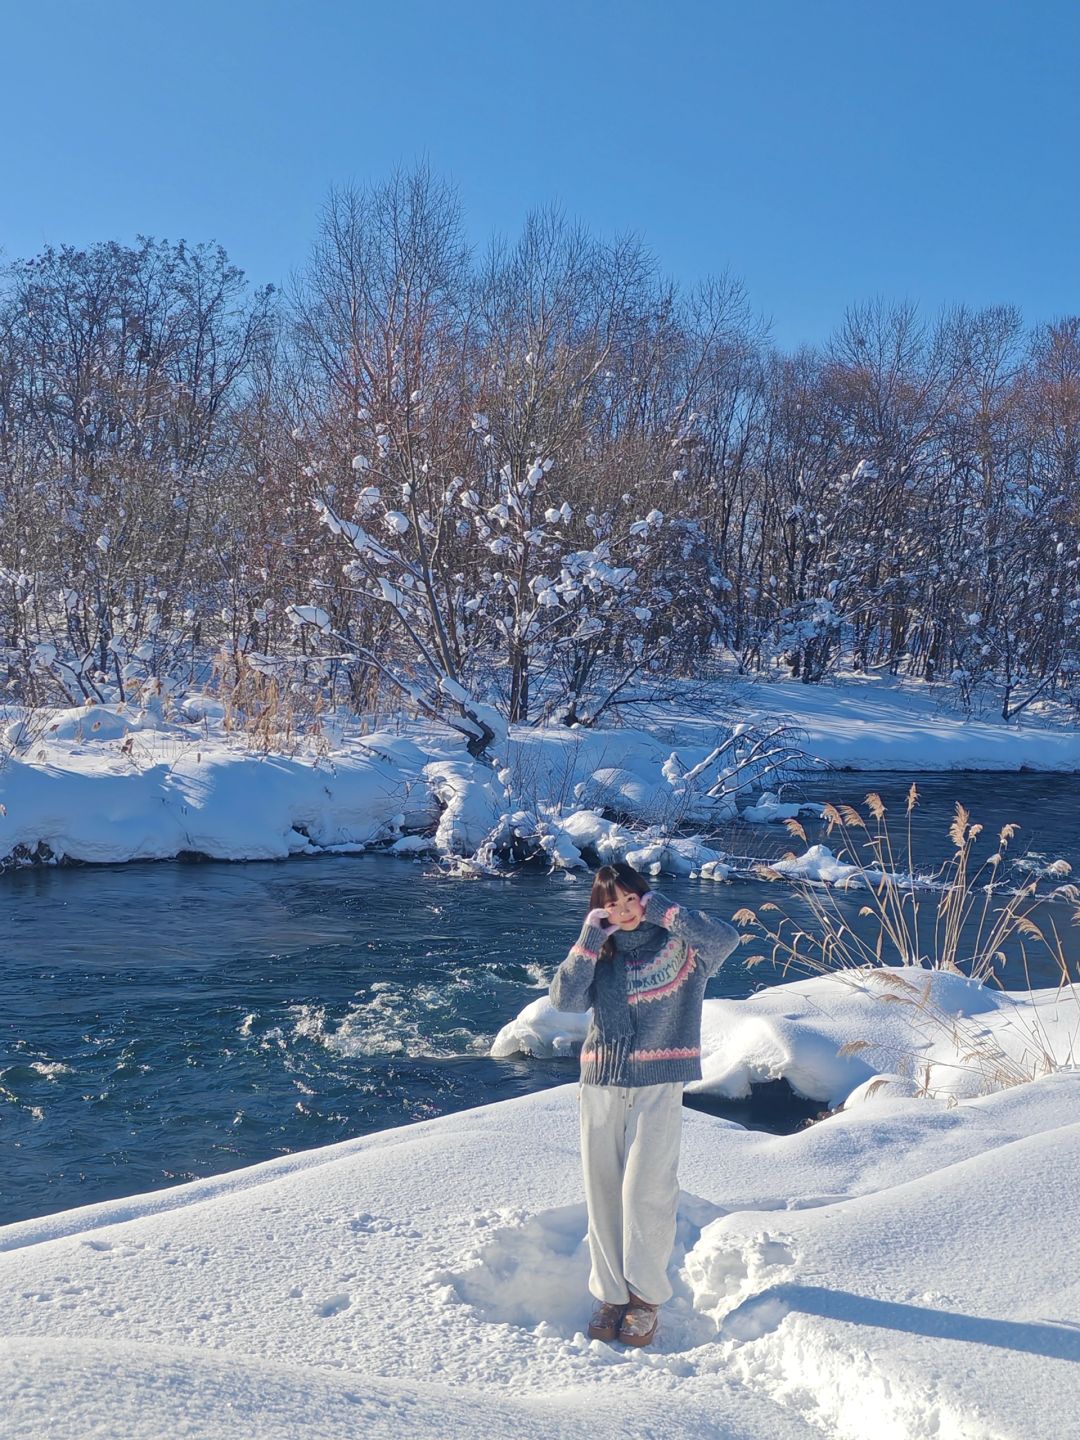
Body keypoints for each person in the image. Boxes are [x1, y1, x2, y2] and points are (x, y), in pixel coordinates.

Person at [549, 860, 740, 1347]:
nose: (625, 911)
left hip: (659, 1084)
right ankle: (611, 1295)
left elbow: (726, 938)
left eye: (632, 899)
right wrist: (590, 938)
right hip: (600, 1083)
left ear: (645, 897)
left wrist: (661, 909)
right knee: (604, 1192)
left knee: (646, 1192)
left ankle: (646, 1299)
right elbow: (566, 999)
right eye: (612, 904)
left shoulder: (684, 949)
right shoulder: (602, 953)